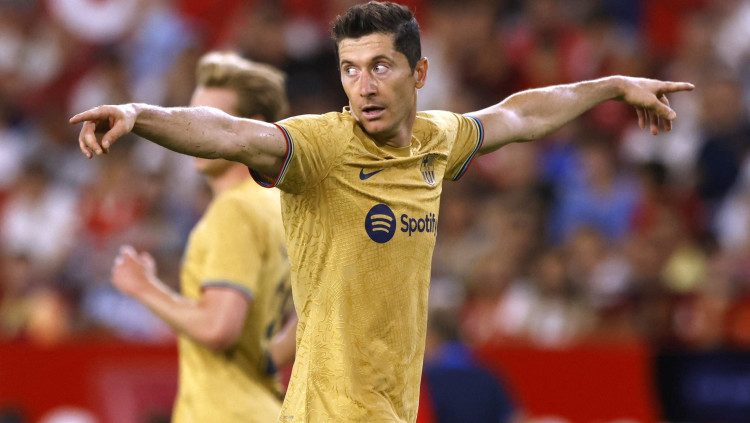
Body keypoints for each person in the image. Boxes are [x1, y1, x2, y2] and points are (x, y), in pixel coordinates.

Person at [70, 2, 694, 421]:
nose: (363, 87)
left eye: (379, 67)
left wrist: (612, 86)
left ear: (418, 72)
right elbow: (231, 132)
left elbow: (519, 114)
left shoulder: (438, 139)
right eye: (349, 70)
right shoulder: (321, 147)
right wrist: (139, 115)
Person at [107, 51, 296, 422]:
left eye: (209, 122)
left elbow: (218, 328)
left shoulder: (235, 210)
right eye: (190, 121)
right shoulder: (281, 206)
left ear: (251, 127)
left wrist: (144, 287)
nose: (192, 137)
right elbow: (302, 324)